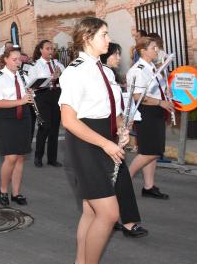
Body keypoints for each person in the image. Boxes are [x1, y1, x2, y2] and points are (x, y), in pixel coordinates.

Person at [59, 17, 124, 264]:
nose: (108, 39)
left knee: (90, 210)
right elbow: (69, 120)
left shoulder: (105, 70)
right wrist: (105, 143)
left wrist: (121, 129)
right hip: (86, 144)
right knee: (108, 214)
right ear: (87, 38)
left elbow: (110, 109)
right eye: (103, 35)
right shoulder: (75, 71)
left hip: (103, 139)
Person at [100, 43, 148, 238]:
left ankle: (121, 220)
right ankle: (118, 220)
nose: (119, 58)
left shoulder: (110, 74)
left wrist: (124, 123)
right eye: (115, 54)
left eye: (119, 54)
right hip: (103, 132)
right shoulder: (100, 74)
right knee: (112, 179)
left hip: (114, 129)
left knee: (118, 177)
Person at [127, 36, 174, 200]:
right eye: (153, 48)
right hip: (146, 113)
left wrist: (166, 93)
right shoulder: (137, 70)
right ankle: (124, 181)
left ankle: (148, 186)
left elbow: (156, 89)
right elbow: (137, 96)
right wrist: (161, 102)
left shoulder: (153, 67)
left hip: (156, 111)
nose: (157, 50)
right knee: (149, 152)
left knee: (152, 151)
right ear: (143, 50)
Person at [0, 48, 34, 206]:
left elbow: (28, 95)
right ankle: (3, 190)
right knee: (11, 157)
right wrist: (21, 101)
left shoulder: (23, 76)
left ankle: (16, 193)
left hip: (24, 116)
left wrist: (31, 95)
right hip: (5, 118)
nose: (18, 62)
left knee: (20, 157)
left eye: (19, 59)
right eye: (14, 59)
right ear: (5, 60)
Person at [29, 40, 65, 168]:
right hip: (42, 96)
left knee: (55, 128)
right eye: (48, 48)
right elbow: (32, 84)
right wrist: (51, 78)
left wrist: (60, 75)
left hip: (56, 95)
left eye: (52, 49)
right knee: (45, 126)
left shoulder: (57, 64)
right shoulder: (35, 65)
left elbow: (66, 79)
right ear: (41, 50)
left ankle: (52, 158)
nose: (51, 51)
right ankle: (38, 157)